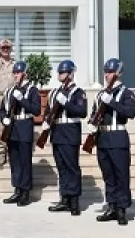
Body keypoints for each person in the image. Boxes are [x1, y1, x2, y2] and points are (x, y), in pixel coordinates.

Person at [90, 57, 135, 226]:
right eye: (106, 71)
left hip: (118, 137)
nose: (107, 75)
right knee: (108, 175)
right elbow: (95, 113)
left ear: (119, 73)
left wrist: (113, 103)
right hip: (102, 138)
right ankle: (111, 206)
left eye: (110, 72)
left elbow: (130, 112)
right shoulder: (100, 94)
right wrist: (92, 124)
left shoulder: (126, 93)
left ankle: (122, 209)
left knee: (121, 175)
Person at [43, 59, 87, 215]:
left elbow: (82, 112)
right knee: (61, 167)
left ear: (71, 74)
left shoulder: (78, 92)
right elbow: (48, 111)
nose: (60, 74)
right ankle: (64, 199)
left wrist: (66, 103)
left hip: (70, 133)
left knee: (72, 167)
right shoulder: (54, 92)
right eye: (59, 72)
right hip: (57, 133)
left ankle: (74, 201)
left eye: (63, 72)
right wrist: (46, 121)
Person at [0, 60, 41, 206]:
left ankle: (25, 192)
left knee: (25, 161)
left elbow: (36, 110)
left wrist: (22, 99)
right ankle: (17, 189)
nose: (16, 75)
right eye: (14, 72)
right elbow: (2, 110)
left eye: (18, 72)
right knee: (14, 161)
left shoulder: (32, 90)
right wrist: (4, 119)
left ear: (25, 74)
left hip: (24, 126)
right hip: (12, 127)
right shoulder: (9, 91)